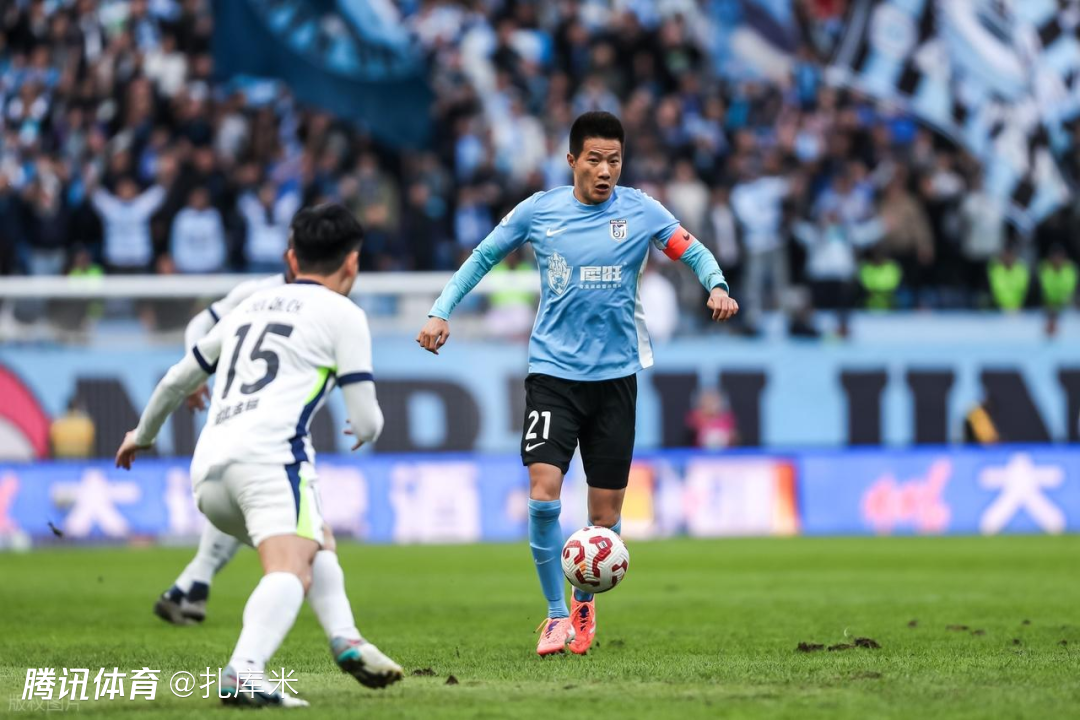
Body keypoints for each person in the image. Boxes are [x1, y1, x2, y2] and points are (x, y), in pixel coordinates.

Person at [416, 112, 738, 656]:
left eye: (614, 160)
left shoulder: (641, 210)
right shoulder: (539, 211)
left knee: (605, 516)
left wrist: (717, 285)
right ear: (572, 161)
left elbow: (694, 250)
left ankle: (585, 601)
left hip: (615, 380)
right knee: (543, 492)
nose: (605, 170)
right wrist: (440, 310)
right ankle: (554, 614)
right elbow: (483, 256)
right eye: (594, 159)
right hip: (553, 376)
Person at [116, 205, 403, 706]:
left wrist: (141, 434)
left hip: (208, 472)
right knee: (290, 567)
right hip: (271, 462)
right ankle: (245, 670)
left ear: (292, 257)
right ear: (352, 262)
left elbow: (178, 378)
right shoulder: (344, 314)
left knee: (316, 539)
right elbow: (368, 419)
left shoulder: (251, 304)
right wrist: (366, 428)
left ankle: (346, 637)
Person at [152, 261, 293, 627]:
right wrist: (196, 373)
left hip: (274, 415)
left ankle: (190, 588)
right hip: (246, 412)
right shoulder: (258, 291)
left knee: (245, 502)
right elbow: (198, 325)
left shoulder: (321, 298)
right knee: (275, 514)